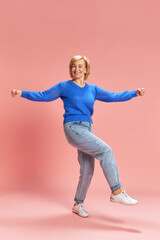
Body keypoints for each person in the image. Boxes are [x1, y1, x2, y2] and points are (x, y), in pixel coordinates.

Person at [11, 55, 145, 218]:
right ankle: (116, 191)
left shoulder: (92, 89)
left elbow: (113, 96)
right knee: (106, 151)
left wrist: (134, 93)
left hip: (87, 129)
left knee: (87, 170)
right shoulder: (64, 86)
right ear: (71, 69)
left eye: (80, 66)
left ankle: (77, 204)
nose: (76, 69)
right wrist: (21, 93)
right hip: (73, 128)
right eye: (74, 66)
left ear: (86, 69)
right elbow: (43, 95)